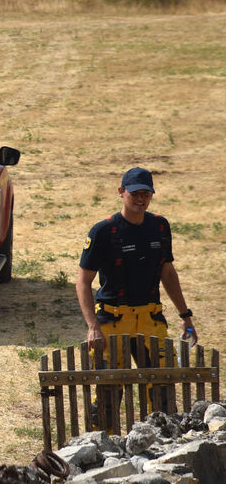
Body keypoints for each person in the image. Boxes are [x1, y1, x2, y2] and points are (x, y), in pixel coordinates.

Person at [76, 167, 197, 416]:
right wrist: (92, 326)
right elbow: (83, 281)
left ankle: (163, 444)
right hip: (112, 320)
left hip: (150, 319)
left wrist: (186, 316)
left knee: (162, 388)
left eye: (146, 194)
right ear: (121, 192)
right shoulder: (103, 231)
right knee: (109, 393)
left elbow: (168, 273)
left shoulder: (160, 227)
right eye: (135, 194)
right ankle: (103, 446)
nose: (141, 199)